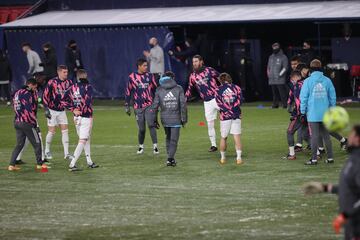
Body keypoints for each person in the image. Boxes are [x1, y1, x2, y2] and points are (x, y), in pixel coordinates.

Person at [303, 125, 360, 240]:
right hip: (352, 223)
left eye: (351, 135)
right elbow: (350, 188)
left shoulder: (358, 162)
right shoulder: (353, 159)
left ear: (358, 139)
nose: (348, 137)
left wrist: (346, 214)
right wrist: (324, 188)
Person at [300, 59, 336, 165]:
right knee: (326, 136)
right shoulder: (327, 80)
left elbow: (304, 98)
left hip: (313, 113)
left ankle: (314, 159)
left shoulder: (307, 81)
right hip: (325, 113)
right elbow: (332, 97)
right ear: (320, 67)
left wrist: (302, 112)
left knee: (314, 136)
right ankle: (330, 158)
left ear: (311, 68)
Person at [8, 78, 48, 171]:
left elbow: (14, 104)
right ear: (30, 85)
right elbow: (29, 110)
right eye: (34, 86)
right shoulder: (27, 94)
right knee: (37, 142)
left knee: (19, 144)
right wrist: (34, 124)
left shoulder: (17, 92)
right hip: (27, 122)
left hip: (17, 122)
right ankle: (39, 164)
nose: (35, 88)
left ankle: (11, 165)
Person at [63, 69, 99, 171]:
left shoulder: (72, 88)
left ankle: (89, 161)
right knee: (83, 140)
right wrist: (81, 111)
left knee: (85, 139)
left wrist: (73, 109)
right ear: (85, 76)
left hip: (76, 117)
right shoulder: (88, 87)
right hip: (86, 117)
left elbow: (63, 100)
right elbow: (87, 102)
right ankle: (72, 164)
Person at [151, 71, 187, 166]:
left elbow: (155, 106)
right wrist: (184, 118)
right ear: (173, 78)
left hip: (164, 118)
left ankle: (169, 157)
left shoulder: (159, 89)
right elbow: (183, 104)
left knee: (168, 137)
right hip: (176, 117)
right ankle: (170, 158)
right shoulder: (179, 88)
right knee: (174, 139)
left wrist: (154, 120)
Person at [185, 55, 220, 152]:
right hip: (207, 102)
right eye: (193, 62)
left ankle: (234, 136)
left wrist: (225, 89)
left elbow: (221, 77)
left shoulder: (209, 70)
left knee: (228, 118)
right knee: (210, 124)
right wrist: (184, 99)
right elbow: (189, 89)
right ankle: (213, 145)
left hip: (217, 99)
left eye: (196, 61)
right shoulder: (192, 76)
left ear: (201, 62)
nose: (194, 63)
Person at [124, 58, 159, 154]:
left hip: (149, 105)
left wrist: (157, 102)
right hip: (137, 107)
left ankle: (155, 146)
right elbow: (128, 91)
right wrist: (127, 105)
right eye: (144, 65)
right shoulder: (131, 77)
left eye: (146, 65)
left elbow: (155, 89)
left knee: (151, 124)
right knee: (142, 129)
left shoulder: (150, 76)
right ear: (139, 66)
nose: (146, 67)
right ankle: (141, 146)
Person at [43, 65, 73, 160]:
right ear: (59, 72)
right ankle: (47, 150)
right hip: (52, 110)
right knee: (52, 131)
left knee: (65, 131)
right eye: (64, 72)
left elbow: (71, 95)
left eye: (67, 72)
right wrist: (46, 109)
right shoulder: (52, 82)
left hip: (62, 110)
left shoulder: (69, 83)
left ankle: (67, 153)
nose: (66, 74)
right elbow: (45, 96)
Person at [215, 73, 243, 165]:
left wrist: (227, 110)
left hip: (225, 116)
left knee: (224, 137)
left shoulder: (218, 89)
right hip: (236, 114)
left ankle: (223, 158)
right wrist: (233, 110)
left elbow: (219, 104)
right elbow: (239, 101)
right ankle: (238, 158)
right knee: (237, 136)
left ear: (220, 80)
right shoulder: (237, 88)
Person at [283, 71, 308, 160]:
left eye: (292, 79)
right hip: (311, 113)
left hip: (301, 114)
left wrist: (295, 114)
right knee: (306, 135)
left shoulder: (298, 86)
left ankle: (292, 154)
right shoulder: (307, 83)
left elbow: (299, 102)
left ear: (296, 77)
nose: (292, 81)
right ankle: (317, 152)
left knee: (290, 132)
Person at [267, 42, 289, 108]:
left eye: (276, 47)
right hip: (272, 78)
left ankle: (285, 104)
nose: (274, 49)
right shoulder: (271, 57)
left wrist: (279, 75)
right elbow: (268, 67)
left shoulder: (283, 57)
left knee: (282, 93)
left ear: (279, 48)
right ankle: (275, 104)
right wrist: (269, 75)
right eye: (273, 48)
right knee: (274, 93)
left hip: (280, 79)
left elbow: (285, 67)